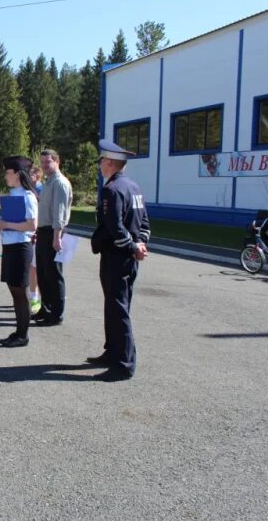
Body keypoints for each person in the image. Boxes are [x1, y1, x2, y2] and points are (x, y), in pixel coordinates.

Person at [89, 140, 150, 382]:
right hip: (127, 257)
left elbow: (115, 227)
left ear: (111, 163)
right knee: (114, 306)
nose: (101, 166)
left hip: (117, 256)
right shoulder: (133, 187)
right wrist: (140, 244)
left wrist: (134, 246)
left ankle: (123, 364)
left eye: (103, 162)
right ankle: (112, 351)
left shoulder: (112, 190)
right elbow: (145, 224)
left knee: (119, 309)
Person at [0, 156, 38, 347]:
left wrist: (6, 224)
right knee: (14, 290)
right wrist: (0, 224)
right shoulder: (14, 194)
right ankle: (18, 332)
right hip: (10, 246)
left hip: (20, 247)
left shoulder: (27, 196)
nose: (5, 176)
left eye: (8, 172)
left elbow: (32, 225)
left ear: (17, 174)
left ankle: (23, 335)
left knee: (21, 291)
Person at [33, 149, 72, 327]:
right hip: (43, 232)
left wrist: (57, 238)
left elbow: (60, 213)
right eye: (42, 162)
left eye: (48, 162)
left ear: (57, 161)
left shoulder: (60, 183)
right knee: (42, 274)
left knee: (54, 275)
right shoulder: (49, 182)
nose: (44, 166)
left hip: (53, 233)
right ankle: (46, 308)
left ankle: (56, 315)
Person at [28, 165, 44, 314]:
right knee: (32, 268)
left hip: (39, 234)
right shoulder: (29, 191)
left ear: (37, 177)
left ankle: (37, 298)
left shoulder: (41, 191)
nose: (27, 177)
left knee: (36, 268)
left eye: (30, 175)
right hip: (30, 233)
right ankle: (33, 296)